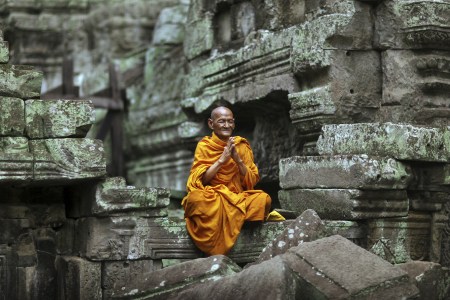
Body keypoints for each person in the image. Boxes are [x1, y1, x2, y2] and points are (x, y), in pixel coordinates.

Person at [181, 106, 284, 256]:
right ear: (211, 124)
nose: (227, 125)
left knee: (263, 199)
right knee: (195, 199)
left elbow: (251, 181)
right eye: (222, 121)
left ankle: (235, 217)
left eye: (230, 121)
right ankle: (240, 219)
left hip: (237, 197)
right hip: (213, 197)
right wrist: (222, 160)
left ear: (234, 123)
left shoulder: (241, 146)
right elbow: (199, 180)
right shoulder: (204, 146)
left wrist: (238, 160)